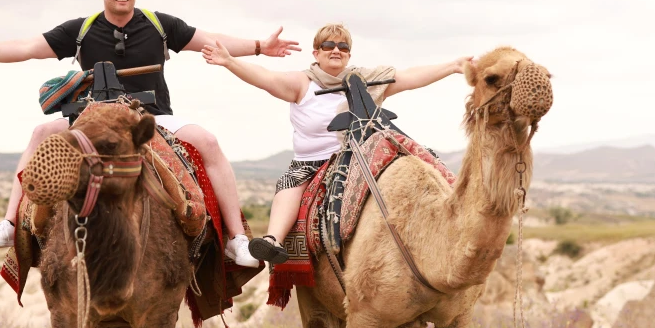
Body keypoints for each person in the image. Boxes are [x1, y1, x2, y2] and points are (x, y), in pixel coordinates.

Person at [0, 0, 302, 267]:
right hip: (90, 120)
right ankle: (10, 224)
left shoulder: (160, 25)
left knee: (208, 141)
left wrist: (259, 46)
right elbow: (26, 48)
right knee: (40, 134)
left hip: (150, 118)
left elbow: (212, 42)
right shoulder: (80, 30)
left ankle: (236, 239)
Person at [201, 23, 470, 264]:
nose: (336, 50)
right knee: (289, 183)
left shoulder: (367, 81)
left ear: (349, 55)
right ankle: (273, 240)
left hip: (358, 157)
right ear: (316, 53)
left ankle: (445, 229)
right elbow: (267, 78)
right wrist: (230, 62)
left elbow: (408, 77)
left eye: (343, 46)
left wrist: (453, 66)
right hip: (311, 164)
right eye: (328, 45)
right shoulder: (302, 83)